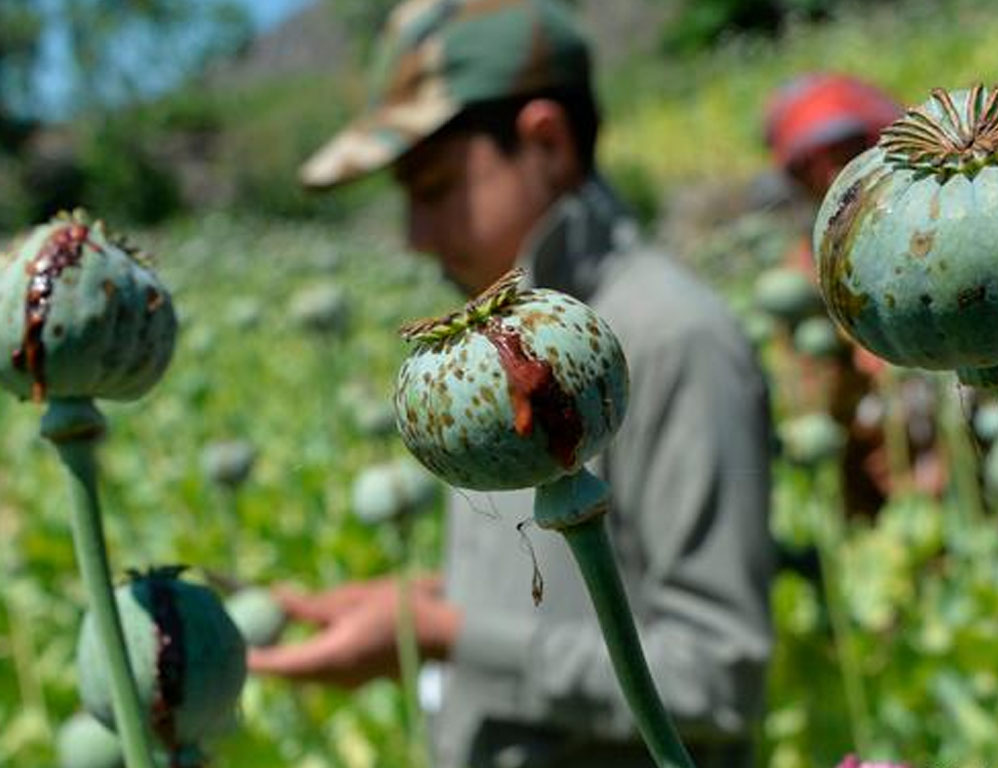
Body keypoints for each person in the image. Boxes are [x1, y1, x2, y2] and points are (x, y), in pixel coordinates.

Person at [248, 2, 775, 766]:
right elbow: (569, 585)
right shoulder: (500, 353)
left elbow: (717, 679)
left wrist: (448, 639)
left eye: (432, 188)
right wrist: (415, 607)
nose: (413, 236)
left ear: (547, 143)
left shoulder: (670, 337)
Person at [763, 73, 945, 517]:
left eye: (844, 156)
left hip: (937, 440)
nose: (832, 177)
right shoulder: (802, 269)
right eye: (813, 166)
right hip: (865, 466)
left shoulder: (932, 238)